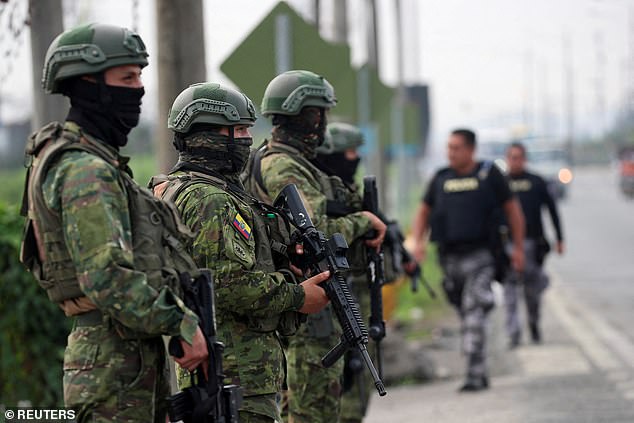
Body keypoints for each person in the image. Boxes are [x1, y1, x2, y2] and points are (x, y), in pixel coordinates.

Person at [19, 23, 208, 422]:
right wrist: (181, 322)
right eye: (127, 77)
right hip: (111, 367)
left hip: (125, 358)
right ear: (88, 83)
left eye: (140, 76)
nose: (138, 89)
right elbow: (105, 276)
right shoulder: (85, 169)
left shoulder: (92, 159)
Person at [151, 82, 331, 422]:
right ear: (207, 134)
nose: (248, 138)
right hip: (236, 373)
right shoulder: (211, 200)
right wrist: (297, 295)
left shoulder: (175, 188)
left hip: (225, 370)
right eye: (237, 129)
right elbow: (227, 284)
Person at [243, 70, 387, 423]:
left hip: (311, 298)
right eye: (320, 113)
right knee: (313, 408)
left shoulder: (291, 162)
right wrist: (365, 222)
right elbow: (315, 232)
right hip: (308, 303)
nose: (324, 122)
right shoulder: (282, 166)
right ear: (307, 114)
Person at [313, 122, 416, 423]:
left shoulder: (348, 191)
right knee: (342, 379)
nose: (355, 158)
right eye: (350, 152)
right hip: (333, 297)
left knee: (359, 374)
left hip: (359, 294)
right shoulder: (322, 194)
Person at [411, 128, 525, 392]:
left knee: (474, 311)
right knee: (465, 312)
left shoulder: (489, 175)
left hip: (482, 256)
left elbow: (513, 211)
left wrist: (518, 248)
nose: (450, 153)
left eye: (456, 148)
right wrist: (419, 244)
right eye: (448, 147)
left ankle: (475, 373)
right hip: (450, 260)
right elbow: (423, 212)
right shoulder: (441, 178)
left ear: (471, 150)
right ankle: (478, 366)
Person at [504, 142, 564, 347]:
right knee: (510, 290)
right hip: (508, 245)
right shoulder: (500, 184)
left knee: (532, 292)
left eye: (518, 157)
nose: (515, 161)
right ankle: (513, 333)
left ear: (525, 158)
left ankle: (533, 323)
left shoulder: (536, 181)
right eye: (511, 157)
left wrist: (559, 238)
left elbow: (552, 210)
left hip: (532, 244)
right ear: (506, 159)